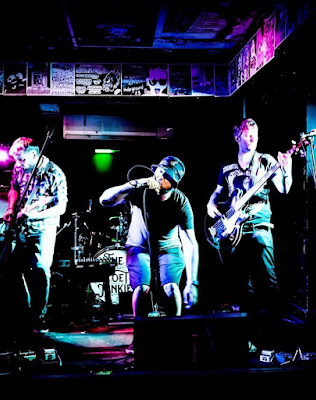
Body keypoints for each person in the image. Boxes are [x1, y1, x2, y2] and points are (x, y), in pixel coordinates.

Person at [206, 118, 292, 350]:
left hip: (259, 228)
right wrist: (211, 205)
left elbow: (283, 188)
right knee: (243, 287)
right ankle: (250, 339)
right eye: (247, 134)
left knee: (269, 284)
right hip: (235, 233)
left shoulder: (266, 161)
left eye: (255, 133)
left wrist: (288, 169)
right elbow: (216, 194)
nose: (252, 137)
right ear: (237, 137)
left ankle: (275, 339)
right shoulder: (227, 168)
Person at [99, 156, 199, 350]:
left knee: (172, 288)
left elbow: (190, 241)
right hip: (139, 247)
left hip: (169, 248)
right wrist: (136, 183)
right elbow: (105, 200)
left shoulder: (180, 201)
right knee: (141, 289)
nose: (161, 176)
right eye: (159, 171)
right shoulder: (140, 191)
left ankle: (175, 337)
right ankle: (140, 337)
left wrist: (192, 282)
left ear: (173, 183)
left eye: (166, 175)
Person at [3, 136, 68, 335]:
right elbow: (14, 188)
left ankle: (39, 316)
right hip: (22, 226)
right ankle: (25, 311)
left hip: (43, 228)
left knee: (41, 269)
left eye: (22, 159)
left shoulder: (54, 173)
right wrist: (11, 208)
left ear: (33, 155)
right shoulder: (19, 167)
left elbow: (61, 207)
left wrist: (35, 214)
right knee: (13, 268)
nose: (19, 164)